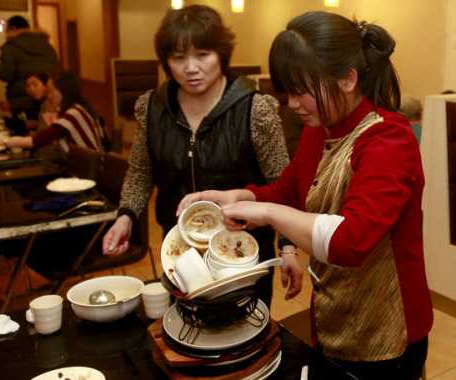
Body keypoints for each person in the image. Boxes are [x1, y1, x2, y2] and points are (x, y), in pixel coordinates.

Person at [177, 11, 433, 380]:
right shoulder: (320, 127)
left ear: (347, 79)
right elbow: (288, 193)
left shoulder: (388, 138)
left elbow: (351, 241)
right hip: (334, 313)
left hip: (386, 329)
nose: (292, 104)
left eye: (301, 92)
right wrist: (235, 195)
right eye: (287, 93)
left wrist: (265, 212)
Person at [101, 5, 297, 307]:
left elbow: (283, 183)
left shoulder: (255, 108)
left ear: (221, 54)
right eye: (179, 58)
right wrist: (126, 216)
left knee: (244, 335)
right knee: (185, 332)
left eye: (202, 54)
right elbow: (140, 171)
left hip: (241, 251)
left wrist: (288, 248)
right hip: (180, 253)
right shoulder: (151, 107)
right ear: (167, 61)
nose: (191, 67)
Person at [0, 70, 107, 159]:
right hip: (81, 168)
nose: (48, 96)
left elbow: (38, 140)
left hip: (87, 174)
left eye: (50, 91)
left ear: (64, 91)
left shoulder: (73, 114)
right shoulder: (78, 108)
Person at [0, 15, 59, 136]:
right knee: (45, 129)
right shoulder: (47, 45)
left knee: (24, 132)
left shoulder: (11, 47)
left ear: (13, 28)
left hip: (21, 101)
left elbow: (5, 74)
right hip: (47, 98)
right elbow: (56, 70)